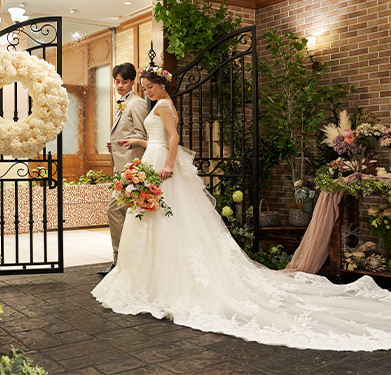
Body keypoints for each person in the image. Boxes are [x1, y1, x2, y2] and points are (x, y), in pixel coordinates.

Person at [92, 65, 391, 351]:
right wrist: (136, 140)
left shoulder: (162, 106)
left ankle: (160, 280)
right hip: (154, 157)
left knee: (162, 218)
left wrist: (169, 165)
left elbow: (174, 138)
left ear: (161, 85)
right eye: (145, 88)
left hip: (162, 165)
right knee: (155, 218)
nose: (147, 91)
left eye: (150, 87)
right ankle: (152, 276)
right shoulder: (163, 104)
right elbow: (158, 140)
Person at [97, 62, 148, 276]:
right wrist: (116, 143)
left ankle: (121, 263)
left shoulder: (137, 103)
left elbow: (142, 135)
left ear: (132, 82)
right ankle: (123, 262)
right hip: (122, 167)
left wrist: (127, 144)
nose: (119, 86)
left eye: (124, 82)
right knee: (126, 214)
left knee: (116, 211)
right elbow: (127, 133)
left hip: (131, 169)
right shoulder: (123, 103)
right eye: (116, 82)